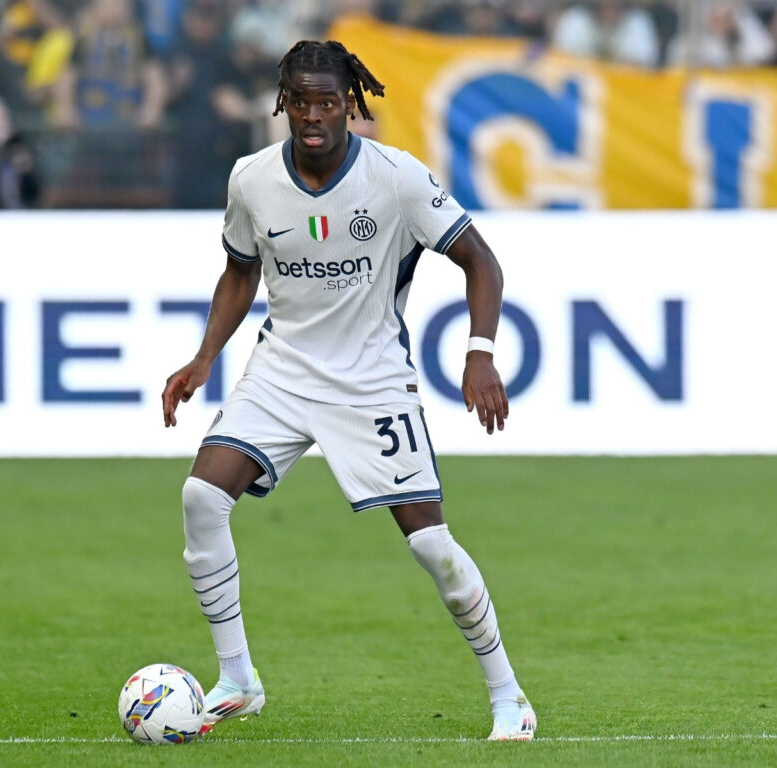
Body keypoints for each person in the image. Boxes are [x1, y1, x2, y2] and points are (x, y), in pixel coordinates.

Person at [160, 39, 536, 741]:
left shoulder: (395, 178)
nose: (312, 114)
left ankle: (510, 695)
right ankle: (238, 679)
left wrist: (479, 353)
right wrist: (205, 355)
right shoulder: (251, 179)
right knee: (201, 497)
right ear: (282, 102)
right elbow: (241, 271)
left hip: (370, 381)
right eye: (299, 99)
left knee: (432, 547)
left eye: (327, 101)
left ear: (350, 106)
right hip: (282, 371)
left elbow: (479, 259)